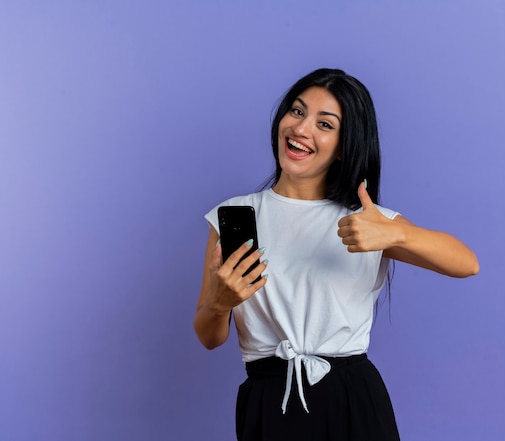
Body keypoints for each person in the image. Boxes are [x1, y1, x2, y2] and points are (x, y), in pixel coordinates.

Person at [194, 68, 479, 441]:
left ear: (345, 146)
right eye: (297, 112)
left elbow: (466, 263)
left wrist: (397, 232)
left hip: (352, 398)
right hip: (269, 399)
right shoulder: (234, 217)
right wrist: (220, 304)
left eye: (324, 124)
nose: (301, 129)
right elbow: (209, 336)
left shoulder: (368, 221)